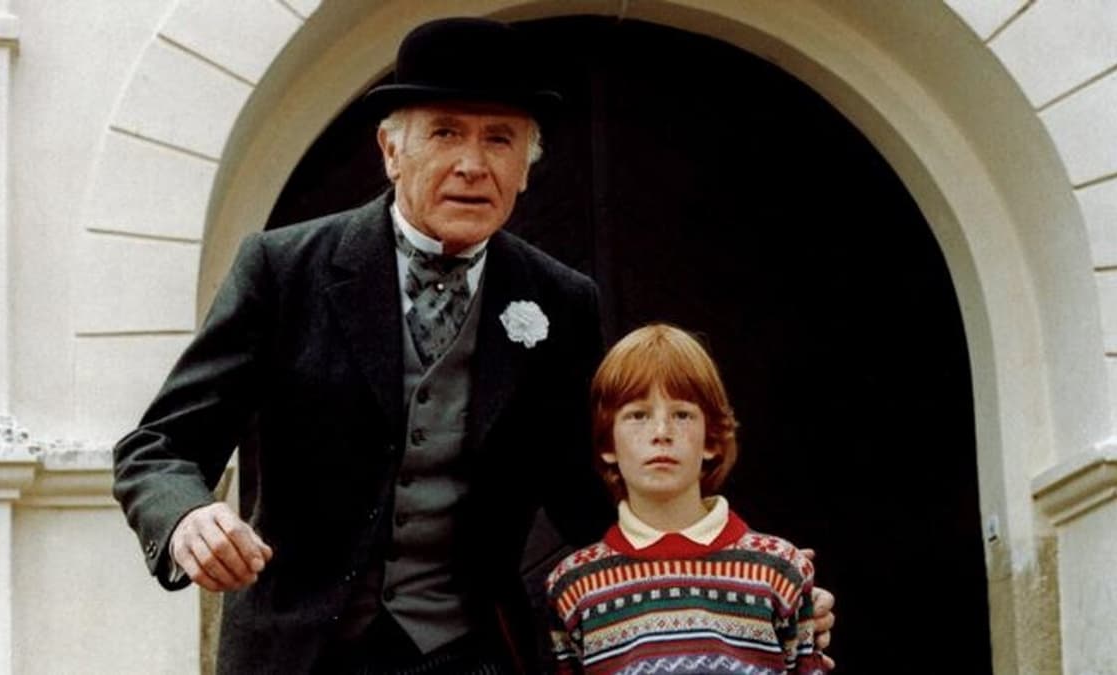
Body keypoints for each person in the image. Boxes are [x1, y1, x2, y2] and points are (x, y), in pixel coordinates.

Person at [112, 17, 833, 674]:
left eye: (499, 139)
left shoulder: (561, 299)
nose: (472, 163)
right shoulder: (283, 270)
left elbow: (593, 493)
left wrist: (734, 578)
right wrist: (187, 518)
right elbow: (158, 447)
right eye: (446, 133)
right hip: (297, 652)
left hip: (469, 651)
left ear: (526, 165)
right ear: (391, 151)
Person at [546, 324, 827, 674]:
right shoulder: (573, 586)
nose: (661, 433)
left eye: (681, 414)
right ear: (607, 444)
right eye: (638, 415)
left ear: (711, 439)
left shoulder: (780, 570)